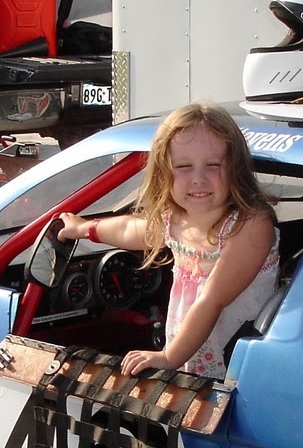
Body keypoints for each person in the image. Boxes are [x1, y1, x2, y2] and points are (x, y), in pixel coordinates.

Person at [57, 102, 279, 379]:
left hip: (240, 360)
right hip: (192, 352)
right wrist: (83, 229)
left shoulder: (249, 225)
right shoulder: (175, 219)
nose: (198, 179)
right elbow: (129, 230)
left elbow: (212, 300)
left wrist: (169, 357)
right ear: (163, 174)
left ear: (235, 168)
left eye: (213, 165)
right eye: (184, 166)